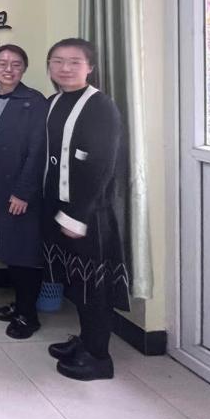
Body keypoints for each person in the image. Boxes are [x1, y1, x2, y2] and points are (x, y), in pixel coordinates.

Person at [42, 38, 129, 381]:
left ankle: (99, 357)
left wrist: (78, 215)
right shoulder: (54, 102)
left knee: (94, 284)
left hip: (89, 212)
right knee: (76, 282)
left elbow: (102, 165)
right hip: (59, 207)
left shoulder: (101, 106)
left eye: (74, 62)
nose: (65, 68)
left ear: (90, 67)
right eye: (57, 61)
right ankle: (86, 340)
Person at [0, 44, 46, 340]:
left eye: (16, 64)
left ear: (24, 69)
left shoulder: (34, 101)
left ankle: (28, 315)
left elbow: (37, 151)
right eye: (2, 63)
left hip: (17, 190)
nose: (8, 69)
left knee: (24, 252)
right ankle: (19, 304)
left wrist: (23, 192)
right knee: (8, 247)